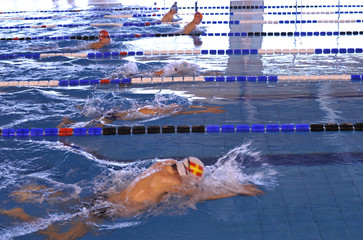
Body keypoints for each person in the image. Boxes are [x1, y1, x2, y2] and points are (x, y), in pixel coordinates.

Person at [1, 157, 263, 239]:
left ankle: (30, 193)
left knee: (70, 204)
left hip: (107, 195)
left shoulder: (165, 164)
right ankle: (22, 216)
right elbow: (201, 196)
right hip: (114, 211)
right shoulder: (175, 184)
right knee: (66, 237)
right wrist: (235, 189)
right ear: (185, 176)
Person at [57, 103, 226, 128]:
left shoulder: (156, 108)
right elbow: (188, 110)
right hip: (117, 117)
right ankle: (70, 123)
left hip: (117, 113)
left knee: (94, 120)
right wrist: (208, 110)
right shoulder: (160, 112)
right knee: (93, 126)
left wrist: (209, 109)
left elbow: (187, 107)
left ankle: (72, 120)